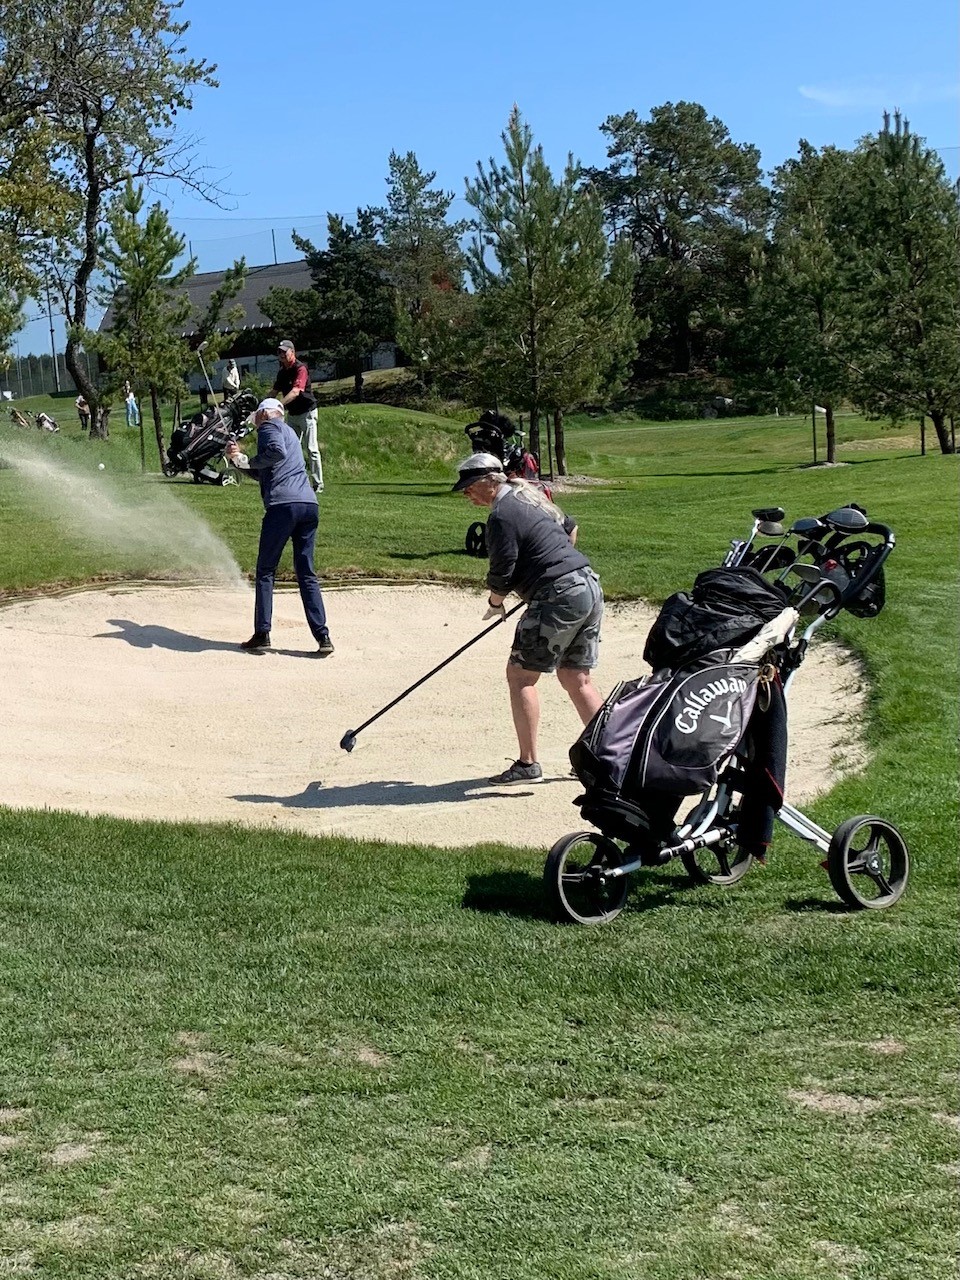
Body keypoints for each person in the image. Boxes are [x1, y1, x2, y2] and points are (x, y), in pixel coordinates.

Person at [453, 451, 603, 784]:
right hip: (587, 585)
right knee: (576, 678)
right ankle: (611, 758)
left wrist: (495, 603)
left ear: (490, 481)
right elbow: (571, 529)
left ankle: (528, 764)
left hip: (559, 595)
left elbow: (502, 571)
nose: (467, 493)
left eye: (470, 486)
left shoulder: (501, 515)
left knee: (521, 676)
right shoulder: (529, 496)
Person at [224, 398, 334, 657]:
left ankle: (262, 634)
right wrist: (238, 460)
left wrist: (246, 459)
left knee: (266, 570)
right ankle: (323, 636)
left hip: (283, 507)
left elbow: (275, 452)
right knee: (306, 573)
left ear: (265, 413)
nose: (256, 421)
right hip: (308, 505)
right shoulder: (291, 433)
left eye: (257, 416)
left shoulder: (269, 427)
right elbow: (265, 471)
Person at [271, 339, 323, 493]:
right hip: (293, 414)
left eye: (284, 352)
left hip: (307, 412)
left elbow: (296, 391)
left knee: (311, 448)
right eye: (279, 352)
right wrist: (263, 406)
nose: (281, 355)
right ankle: (295, 481)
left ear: (292, 352)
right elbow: (273, 392)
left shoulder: (301, 368)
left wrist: (278, 405)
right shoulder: (282, 372)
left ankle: (318, 483)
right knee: (290, 449)